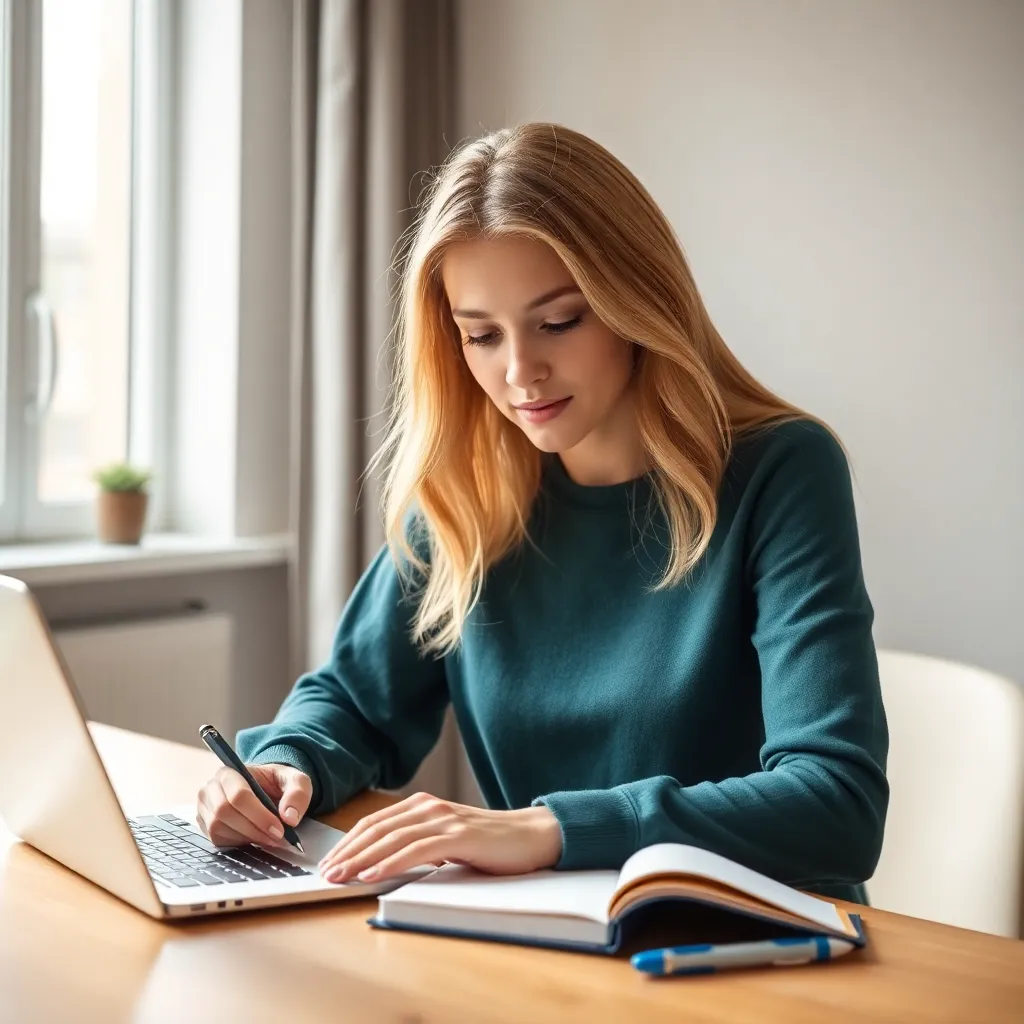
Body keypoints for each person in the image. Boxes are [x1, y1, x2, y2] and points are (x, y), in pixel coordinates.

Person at [196, 123, 888, 904]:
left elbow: (837, 802)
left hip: (751, 943)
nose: (520, 372)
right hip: (550, 935)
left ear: (637, 300)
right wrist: (285, 766)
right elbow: (355, 703)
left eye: (560, 321)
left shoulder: (782, 470)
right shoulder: (471, 491)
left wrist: (547, 829)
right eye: (481, 336)